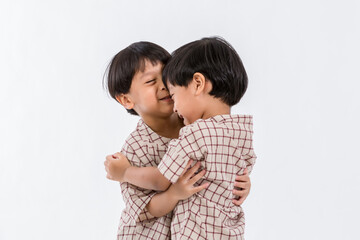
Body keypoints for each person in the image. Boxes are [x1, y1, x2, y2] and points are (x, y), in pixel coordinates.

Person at [108, 37, 256, 239]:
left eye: (167, 77)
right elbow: (144, 209)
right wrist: (171, 193)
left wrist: (239, 184)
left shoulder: (194, 123)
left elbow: (225, 168)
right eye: (152, 81)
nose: (165, 86)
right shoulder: (134, 148)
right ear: (126, 99)